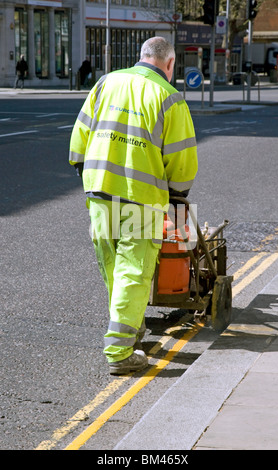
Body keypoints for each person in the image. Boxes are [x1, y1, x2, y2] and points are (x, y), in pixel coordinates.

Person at [69, 36, 198, 375]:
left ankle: (133, 326)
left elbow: (80, 135)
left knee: (112, 265)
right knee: (134, 270)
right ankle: (120, 351)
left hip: (98, 191)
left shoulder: (105, 82)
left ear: (142, 56)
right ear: (169, 64)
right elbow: (181, 158)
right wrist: (178, 194)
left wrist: (85, 172)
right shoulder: (169, 98)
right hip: (140, 199)